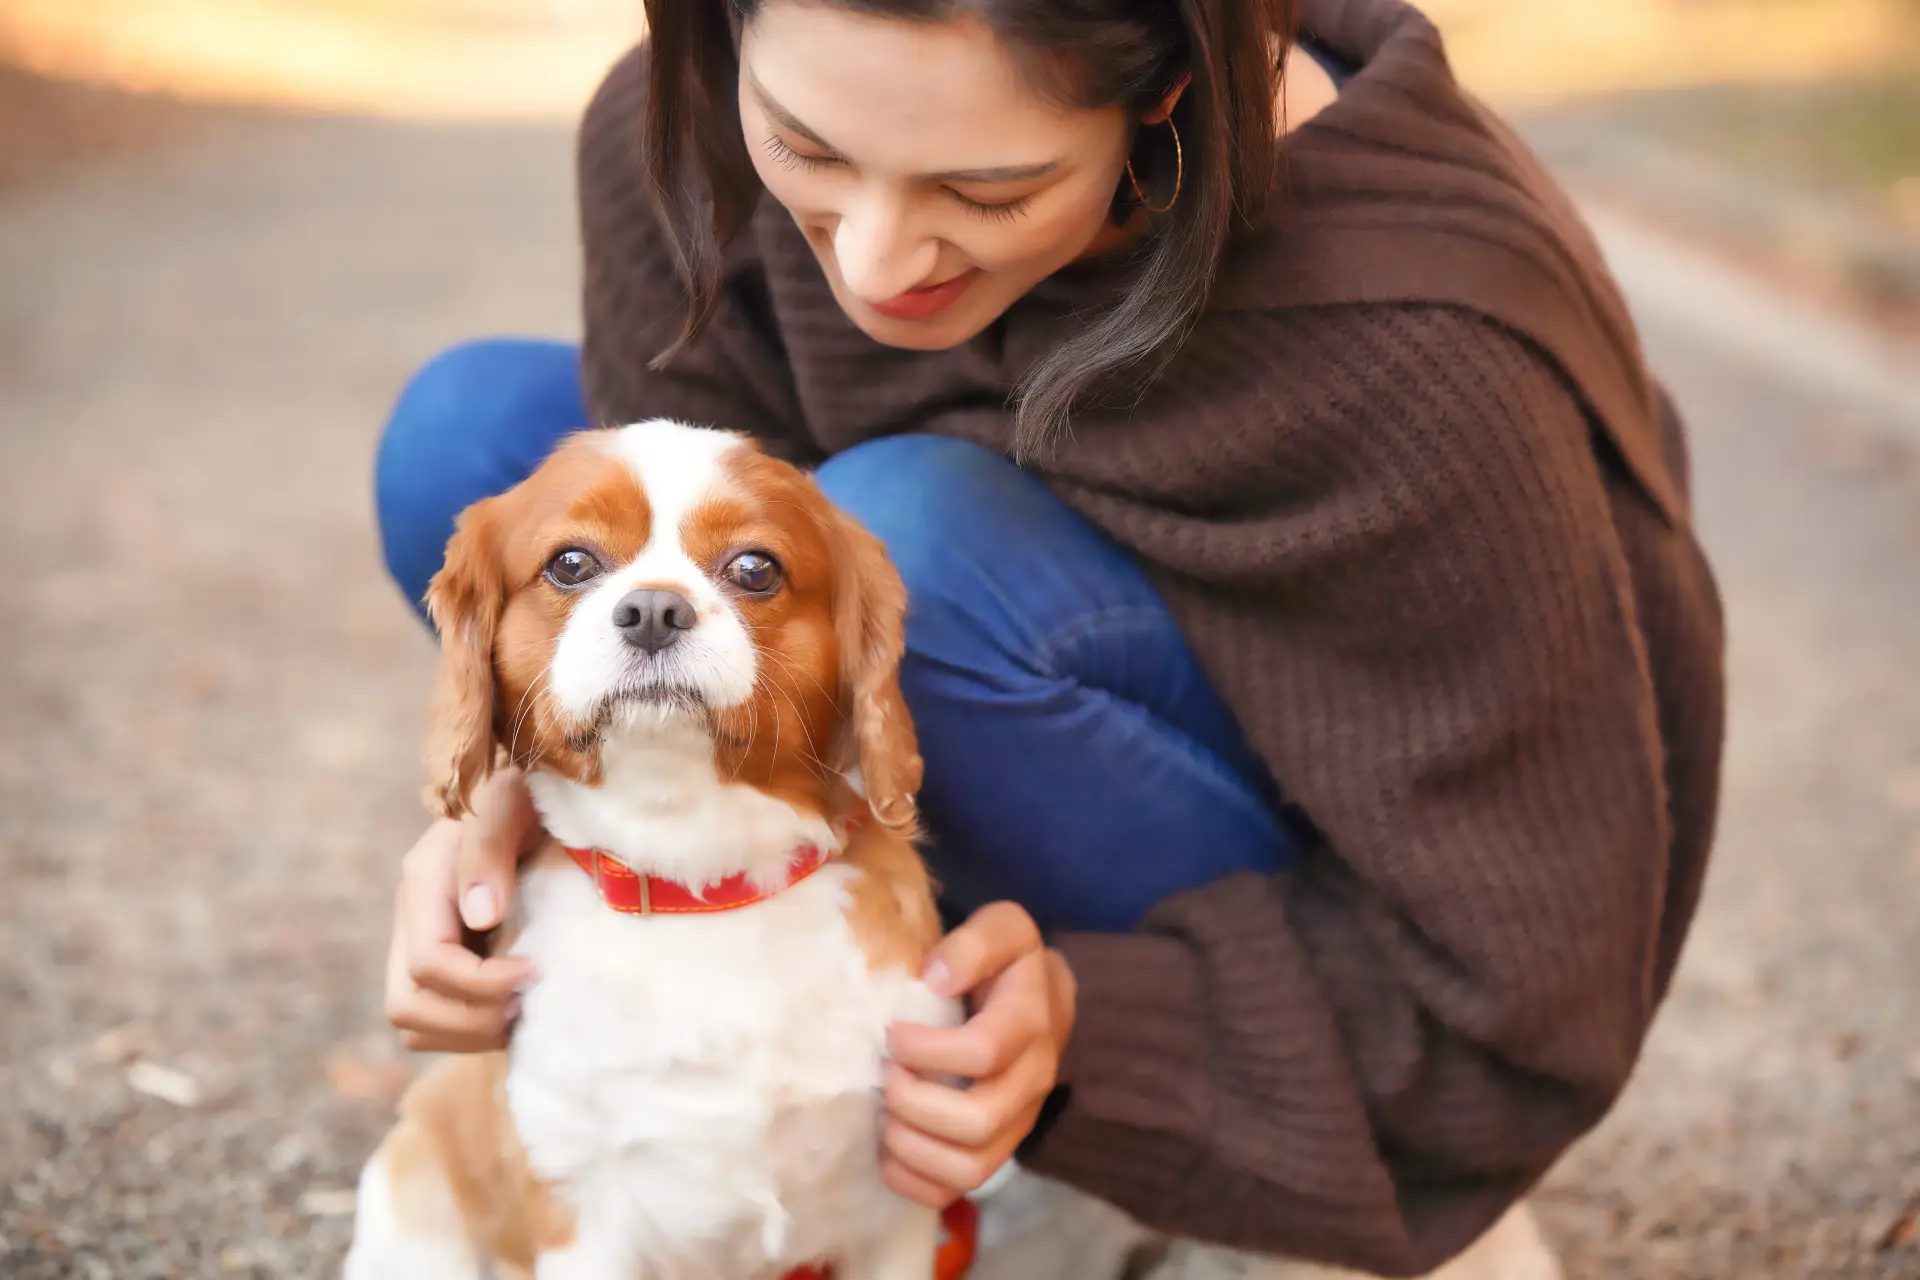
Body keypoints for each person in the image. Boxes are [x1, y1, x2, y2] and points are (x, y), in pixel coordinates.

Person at [371, 0, 1727, 1274]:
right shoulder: (691, 110)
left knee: (908, 553)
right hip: (946, 721)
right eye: (807, 149)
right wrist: (511, 791)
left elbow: (1529, 994)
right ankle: (828, 1050)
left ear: (1173, 93)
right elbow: (716, 611)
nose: (874, 257)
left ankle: (1289, 1170)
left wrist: (1097, 1027)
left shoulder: (1424, 343)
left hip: (1334, 914)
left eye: (988, 192)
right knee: (478, 446)